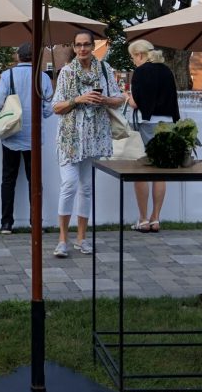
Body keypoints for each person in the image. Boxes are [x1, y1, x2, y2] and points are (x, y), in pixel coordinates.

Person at [51, 30, 124, 257]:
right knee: (69, 184)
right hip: (70, 137)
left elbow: (119, 99)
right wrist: (78, 99)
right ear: (73, 48)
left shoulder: (104, 69)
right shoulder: (66, 72)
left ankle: (82, 238)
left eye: (86, 45)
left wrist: (104, 100)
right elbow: (56, 107)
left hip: (93, 137)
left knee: (86, 187)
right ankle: (62, 238)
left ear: (93, 46)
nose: (82, 49)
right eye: (78, 45)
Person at [0, 42, 54, 233]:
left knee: (8, 179)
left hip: (11, 135)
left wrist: (5, 118)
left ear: (18, 56)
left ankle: (6, 223)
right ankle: (36, 222)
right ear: (36, 57)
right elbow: (49, 108)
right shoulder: (42, 77)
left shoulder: (7, 75)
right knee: (34, 180)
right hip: (33, 136)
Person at [125, 39, 180, 233]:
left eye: (133, 57)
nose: (133, 61)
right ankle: (156, 218)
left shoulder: (140, 72)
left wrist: (126, 96)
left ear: (139, 54)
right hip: (167, 123)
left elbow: (135, 103)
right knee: (160, 171)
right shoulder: (166, 71)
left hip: (146, 124)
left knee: (141, 170)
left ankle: (143, 219)